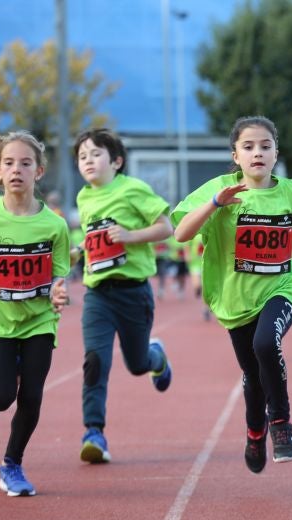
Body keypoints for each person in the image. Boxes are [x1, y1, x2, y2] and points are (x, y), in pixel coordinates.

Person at [172, 115, 292, 473]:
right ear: (235, 156)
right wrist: (215, 204)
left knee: (266, 343)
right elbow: (181, 234)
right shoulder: (219, 189)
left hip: (281, 288)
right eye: (248, 147)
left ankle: (281, 423)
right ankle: (254, 431)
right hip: (235, 299)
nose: (258, 153)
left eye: (265, 146)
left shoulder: (289, 191)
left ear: (276, 153)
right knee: (252, 375)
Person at [0, 130, 70, 496]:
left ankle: (12, 463)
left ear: (38, 172)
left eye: (25, 163)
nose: (16, 170)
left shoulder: (54, 225)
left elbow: (59, 273)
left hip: (39, 321)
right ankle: (7, 362)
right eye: (9, 163)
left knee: (31, 396)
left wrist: (58, 290)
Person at [73, 128, 174, 464]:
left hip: (133, 293)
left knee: (137, 364)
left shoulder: (133, 189)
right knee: (95, 361)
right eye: (82, 156)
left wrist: (130, 236)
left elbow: (166, 227)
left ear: (116, 161)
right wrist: (79, 251)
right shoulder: (83, 198)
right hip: (97, 294)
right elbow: (94, 239)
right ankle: (94, 432)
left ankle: (155, 358)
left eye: (95, 154)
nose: (88, 161)